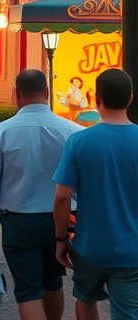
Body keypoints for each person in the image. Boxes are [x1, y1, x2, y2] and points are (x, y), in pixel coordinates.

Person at [0, 69, 81, 320]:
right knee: (54, 280)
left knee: (27, 291)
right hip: (62, 220)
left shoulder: (3, 131)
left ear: (16, 95)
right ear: (46, 93)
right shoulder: (73, 131)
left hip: (18, 221)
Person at [54, 68, 138, 320]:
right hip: (132, 249)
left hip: (89, 246)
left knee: (85, 298)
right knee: (127, 312)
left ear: (97, 99)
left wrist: (61, 240)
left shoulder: (79, 142)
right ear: (130, 99)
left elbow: (61, 197)